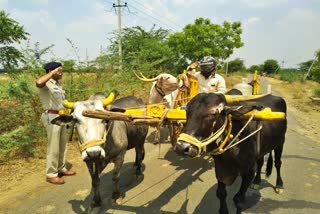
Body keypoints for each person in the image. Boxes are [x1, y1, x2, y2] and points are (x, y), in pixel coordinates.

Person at [36, 61, 76, 185]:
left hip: (62, 116)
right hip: (51, 116)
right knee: (53, 146)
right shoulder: (46, 83)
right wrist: (52, 73)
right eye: (59, 70)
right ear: (50, 71)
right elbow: (38, 82)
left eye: (61, 70)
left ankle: (61, 168)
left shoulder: (57, 85)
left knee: (62, 145)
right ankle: (51, 174)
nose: (61, 72)